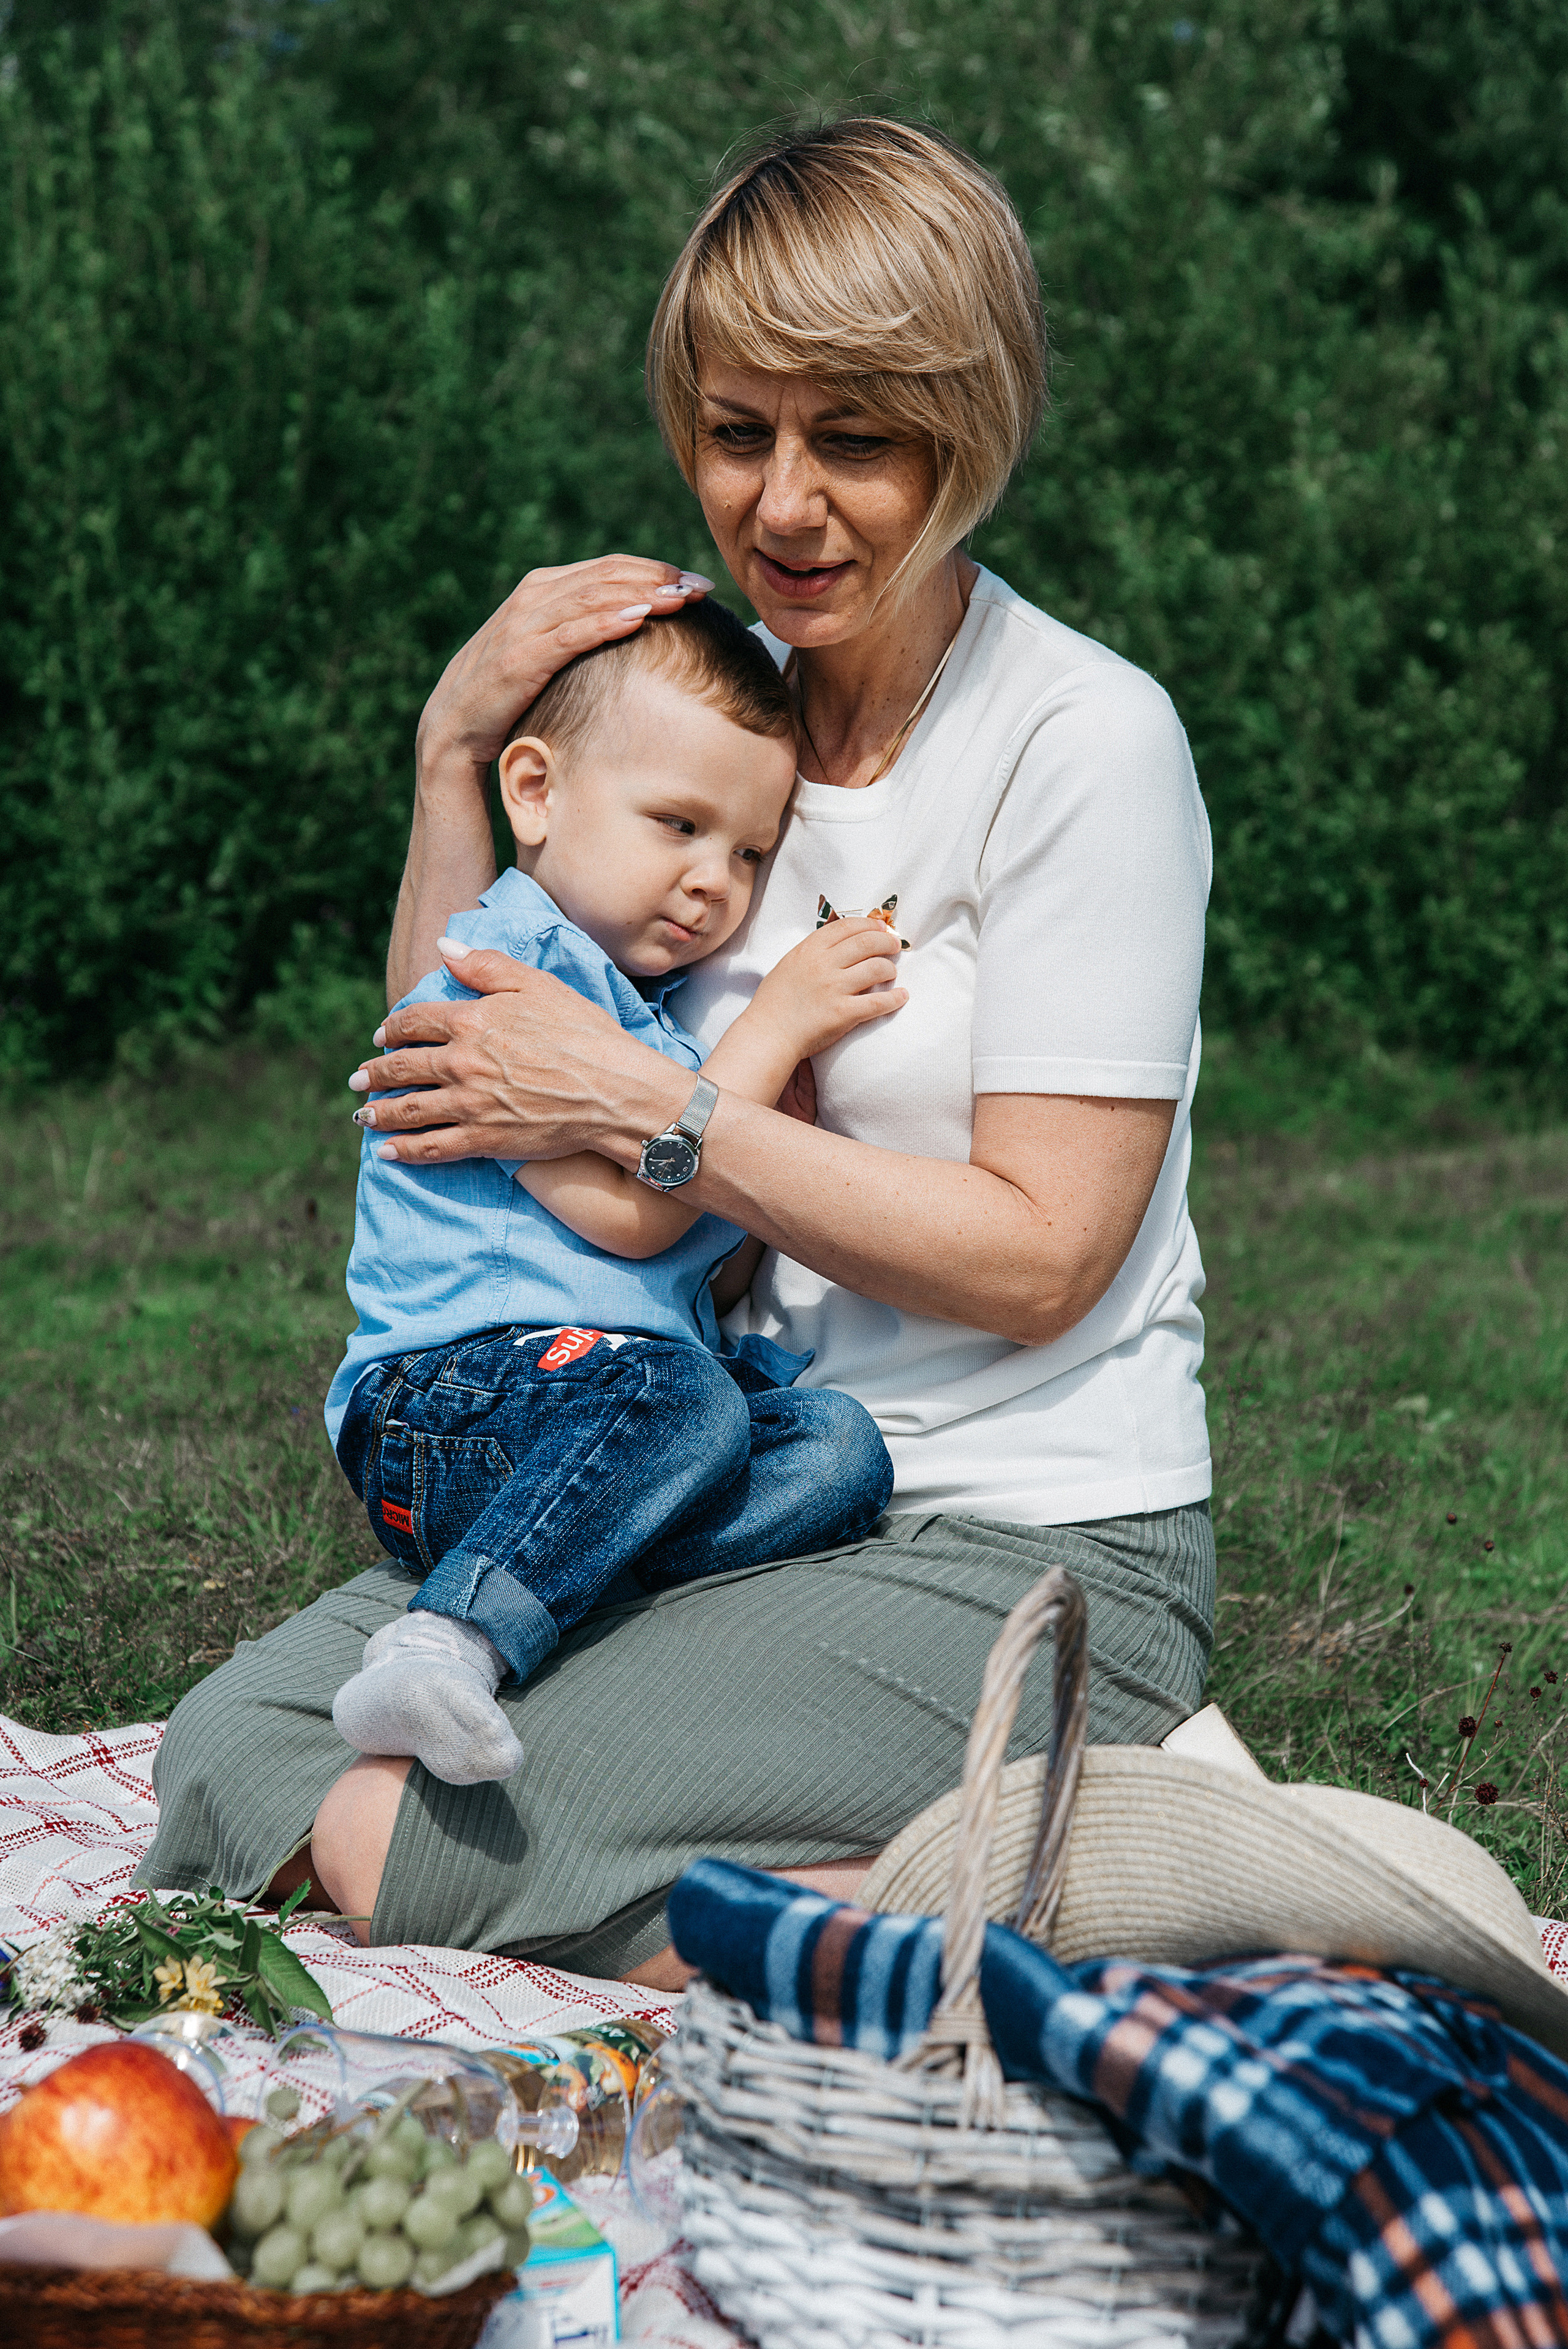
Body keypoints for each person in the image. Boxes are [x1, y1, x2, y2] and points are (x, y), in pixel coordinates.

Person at [139, 116, 1216, 1993]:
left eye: (854, 440)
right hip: (723, 1502)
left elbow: (1045, 1257)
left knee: (394, 1831)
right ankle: (893, 1874)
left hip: (1027, 1542)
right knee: (234, 1755)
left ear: (968, 430)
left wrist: (663, 1111)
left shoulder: (1083, 743)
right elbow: (452, 1066)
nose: (784, 504)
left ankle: (1075, 1855)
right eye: (739, 433)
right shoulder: (717, 749)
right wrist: (444, 760)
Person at [327, 600, 896, 1787]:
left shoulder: (650, 1018)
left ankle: (560, 1580)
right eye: (676, 824)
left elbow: (697, 1263)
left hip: (608, 1400)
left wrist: (753, 1160)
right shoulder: (500, 974)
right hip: (449, 1403)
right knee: (683, 1395)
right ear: (532, 792)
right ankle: (445, 1640)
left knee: (835, 1448)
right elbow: (627, 1215)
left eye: (747, 851)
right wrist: (774, 1028)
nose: (712, 883)